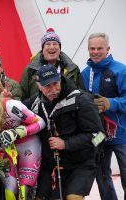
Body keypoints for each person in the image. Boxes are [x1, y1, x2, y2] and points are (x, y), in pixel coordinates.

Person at [23, 64, 104, 200]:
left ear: (60, 79)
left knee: (73, 198)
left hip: (81, 163)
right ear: (39, 86)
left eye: (56, 83)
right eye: (47, 86)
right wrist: (6, 98)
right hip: (51, 166)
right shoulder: (35, 104)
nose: (53, 89)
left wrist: (66, 144)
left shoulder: (81, 100)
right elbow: (13, 111)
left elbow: (100, 136)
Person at [0, 74, 45, 199]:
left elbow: (41, 122)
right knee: (9, 192)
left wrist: (18, 132)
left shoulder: (11, 106)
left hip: (29, 145)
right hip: (7, 150)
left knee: (24, 193)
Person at [81, 32, 126, 200]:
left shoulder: (121, 70)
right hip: (98, 134)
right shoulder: (86, 73)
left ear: (108, 49)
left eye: (99, 48)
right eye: (92, 48)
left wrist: (110, 103)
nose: (95, 52)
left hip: (122, 134)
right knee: (102, 177)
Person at [20, 28, 83, 101]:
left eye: (55, 44)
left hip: (67, 110)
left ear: (60, 48)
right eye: (48, 44)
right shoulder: (30, 70)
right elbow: (23, 97)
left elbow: (81, 93)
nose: (52, 47)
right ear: (42, 49)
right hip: (38, 111)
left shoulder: (72, 69)